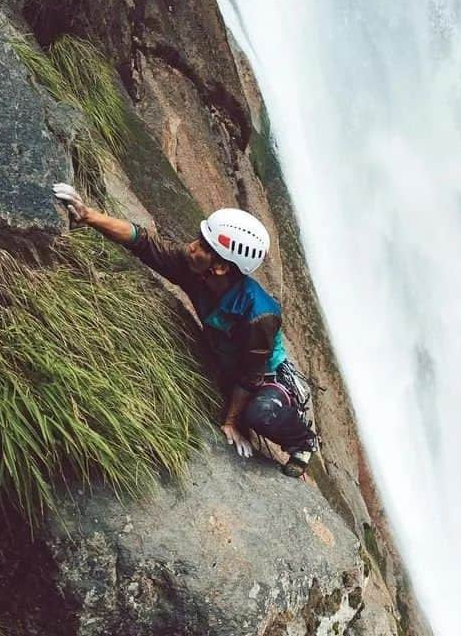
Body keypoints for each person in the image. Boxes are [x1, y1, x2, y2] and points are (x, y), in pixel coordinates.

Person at [52, 184, 316, 477]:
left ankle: (302, 442)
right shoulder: (196, 271)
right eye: (199, 239)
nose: (192, 246)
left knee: (260, 413)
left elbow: (252, 376)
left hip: (265, 376)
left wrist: (231, 420)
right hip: (226, 360)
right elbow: (144, 242)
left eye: (203, 246)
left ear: (221, 268)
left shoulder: (259, 315)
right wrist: (89, 216)